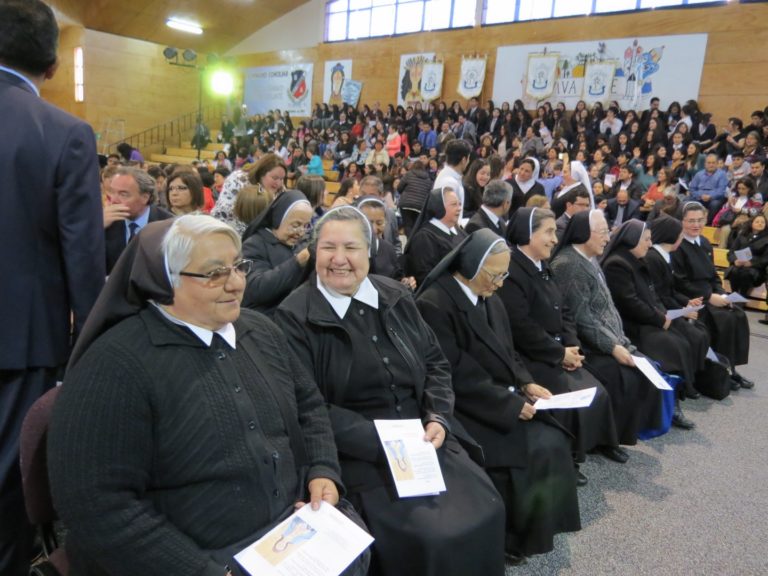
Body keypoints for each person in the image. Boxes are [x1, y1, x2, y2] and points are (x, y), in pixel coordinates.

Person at [48, 216, 368, 576]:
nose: (235, 284)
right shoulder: (114, 367)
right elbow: (97, 506)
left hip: (293, 532)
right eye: (214, 273)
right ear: (166, 280)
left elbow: (309, 406)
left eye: (238, 266)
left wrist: (323, 469)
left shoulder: (261, 330)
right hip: (203, 559)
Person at [276, 207, 506, 576]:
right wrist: (384, 442)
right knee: (433, 537)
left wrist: (438, 417)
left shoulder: (396, 294)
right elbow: (308, 406)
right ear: (314, 252)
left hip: (422, 438)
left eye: (350, 247)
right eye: (327, 248)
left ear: (369, 250)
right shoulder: (293, 316)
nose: (339, 259)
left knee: (489, 506)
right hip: (359, 452)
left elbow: (435, 364)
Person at [0, 2, 105, 572]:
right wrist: (91, 344)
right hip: (21, 340)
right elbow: (83, 257)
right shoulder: (63, 132)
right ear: (53, 62)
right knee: (8, 490)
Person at [416, 230, 580, 562]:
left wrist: (525, 382)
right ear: (472, 266)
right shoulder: (435, 303)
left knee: (553, 440)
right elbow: (454, 373)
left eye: (504, 275)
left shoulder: (488, 294)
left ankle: (534, 531)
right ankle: (510, 537)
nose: (500, 283)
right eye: (495, 275)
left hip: (500, 394)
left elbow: (508, 351)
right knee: (534, 450)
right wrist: (509, 404)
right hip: (466, 407)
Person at [502, 208, 643, 465]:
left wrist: (572, 345)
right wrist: (559, 353)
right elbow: (521, 326)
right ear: (527, 234)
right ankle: (569, 457)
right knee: (570, 395)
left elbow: (564, 308)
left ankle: (599, 442)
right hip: (530, 354)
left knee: (597, 391)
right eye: (548, 232)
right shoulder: (512, 270)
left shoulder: (542, 264)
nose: (555, 239)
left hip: (557, 347)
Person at [549, 211, 692, 429]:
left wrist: (620, 341)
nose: (608, 238)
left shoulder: (589, 259)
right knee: (629, 375)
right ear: (585, 233)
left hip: (611, 337)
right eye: (604, 232)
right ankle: (616, 432)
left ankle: (646, 421)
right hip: (588, 344)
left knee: (650, 366)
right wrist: (613, 346)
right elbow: (583, 318)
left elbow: (605, 308)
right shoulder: (569, 264)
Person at [601, 220, 708, 401]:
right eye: (646, 240)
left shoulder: (636, 260)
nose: (650, 244)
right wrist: (659, 318)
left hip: (647, 317)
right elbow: (630, 303)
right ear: (632, 239)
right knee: (672, 345)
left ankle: (680, 390)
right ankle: (671, 398)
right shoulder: (617, 264)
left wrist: (662, 315)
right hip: (630, 324)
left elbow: (652, 295)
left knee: (684, 337)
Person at [671, 202, 753, 389]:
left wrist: (723, 295)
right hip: (693, 297)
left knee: (737, 315)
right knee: (722, 319)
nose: (696, 225)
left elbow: (714, 275)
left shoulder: (705, 243)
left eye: (700, 220)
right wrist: (709, 297)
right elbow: (681, 282)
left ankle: (731, 368)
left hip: (711, 292)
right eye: (691, 220)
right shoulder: (678, 246)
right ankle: (719, 370)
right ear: (682, 221)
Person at [241, 191, 313, 315]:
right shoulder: (254, 244)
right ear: (278, 219)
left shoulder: (299, 243)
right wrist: (297, 263)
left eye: (305, 226)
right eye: (296, 225)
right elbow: (256, 289)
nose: (301, 232)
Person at [104, 167, 173, 274]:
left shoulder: (168, 225)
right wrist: (97, 229)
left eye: (123, 194)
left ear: (145, 197)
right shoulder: (104, 222)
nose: (114, 200)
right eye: (112, 192)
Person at [404, 186, 467, 286]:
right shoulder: (424, 237)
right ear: (439, 207)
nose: (459, 208)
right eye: (454, 204)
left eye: (459, 204)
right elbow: (425, 275)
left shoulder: (458, 230)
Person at [212, 153, 287, 235]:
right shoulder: (238, 180)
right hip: (224, 229)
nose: (279, 183)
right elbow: (230, 214)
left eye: (282, 179)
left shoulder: (279, 189)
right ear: (262, 173)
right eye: (275, 178)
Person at [356, 196, 415, 289]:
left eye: (379, 223)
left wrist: (405, 282)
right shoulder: (349, 249)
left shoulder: (388, 248)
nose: (374, 229)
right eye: (368, 223)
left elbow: (396, 277)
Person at [726, 214, 768, 297]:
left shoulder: (766, 239)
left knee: (746, 273)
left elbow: (766, 258)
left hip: (756, 269)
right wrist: (735, 261)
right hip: (739, 265)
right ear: (751, 223)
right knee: (734, 271)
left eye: (762, 222)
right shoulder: (742, 235)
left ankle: (741, 298)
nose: (760, 224)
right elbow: (731, 252)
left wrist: (751, 263)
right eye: (757, 221)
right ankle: (735, 297)